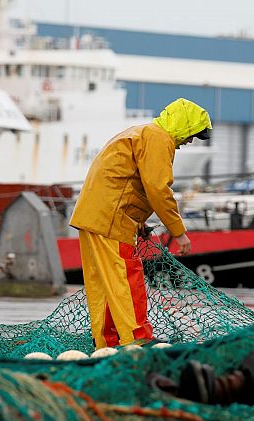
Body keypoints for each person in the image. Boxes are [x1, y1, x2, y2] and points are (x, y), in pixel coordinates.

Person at [69, 98, 212, 349]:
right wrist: (179, 232)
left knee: (103, 285)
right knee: (127, 278)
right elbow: (157, 189)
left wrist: (138, 224)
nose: (190, 142)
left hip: (94, 218)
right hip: (111, 221)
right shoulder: (158, 138)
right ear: (183, 125)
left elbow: (125, 184)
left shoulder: (139, 132)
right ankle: (137, 339)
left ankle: (106, 343)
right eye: (192, 135)